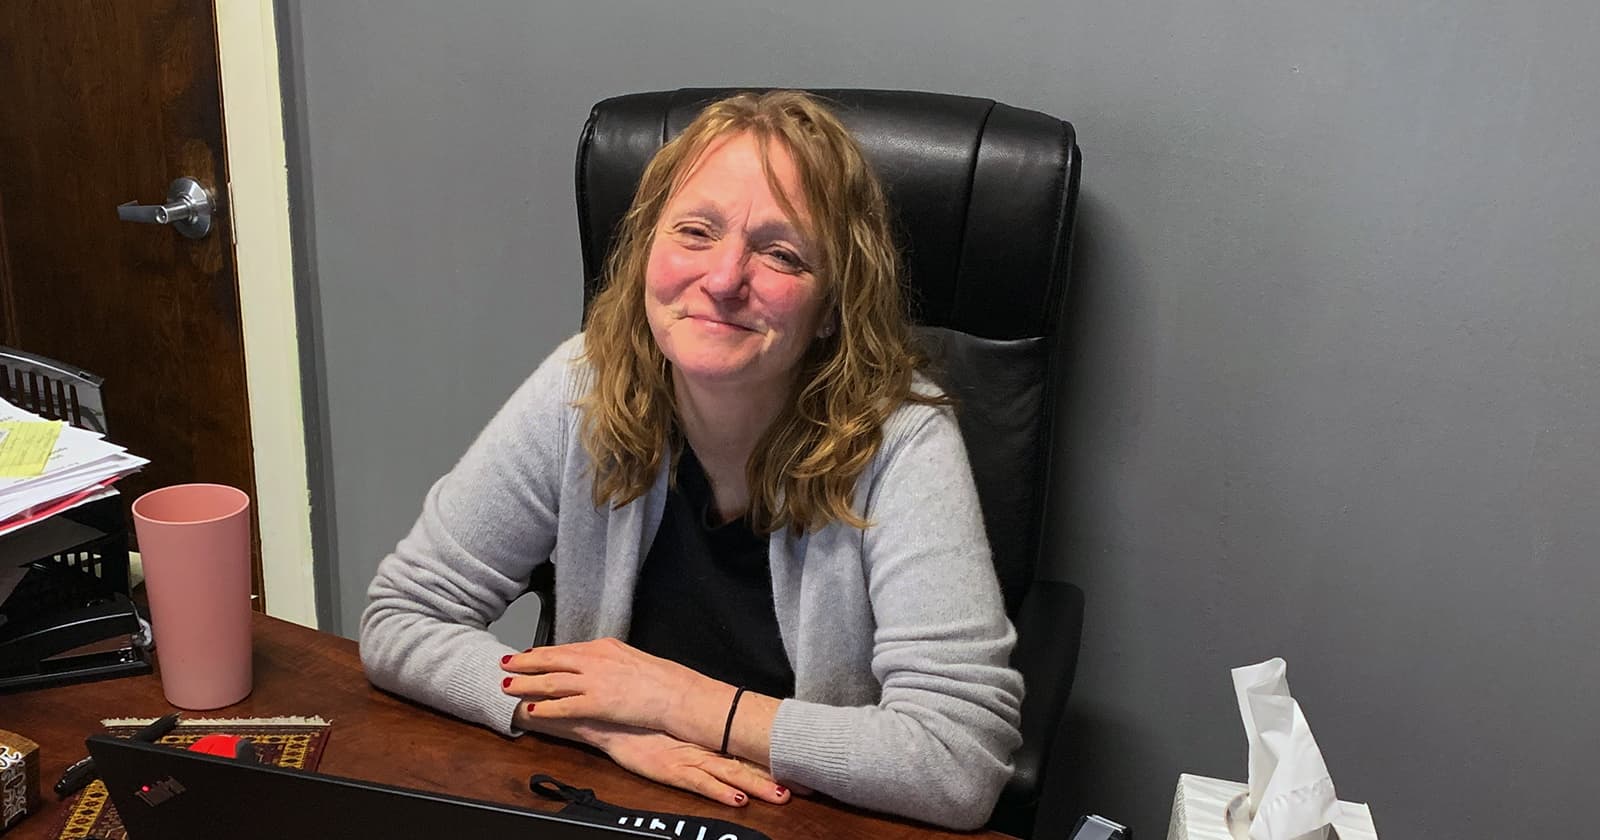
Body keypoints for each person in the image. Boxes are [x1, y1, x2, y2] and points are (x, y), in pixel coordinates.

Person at [359, 90, 1023, 831]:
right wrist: (597, 725)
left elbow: (957, 759)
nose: (723, 278)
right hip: (604, 800)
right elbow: (400, 617)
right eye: (696, 231)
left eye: (780, 252)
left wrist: (677, 701)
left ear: (834, 304)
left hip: (796, 819)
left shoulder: (901, 439)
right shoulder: (582, 385)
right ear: (648, 249)